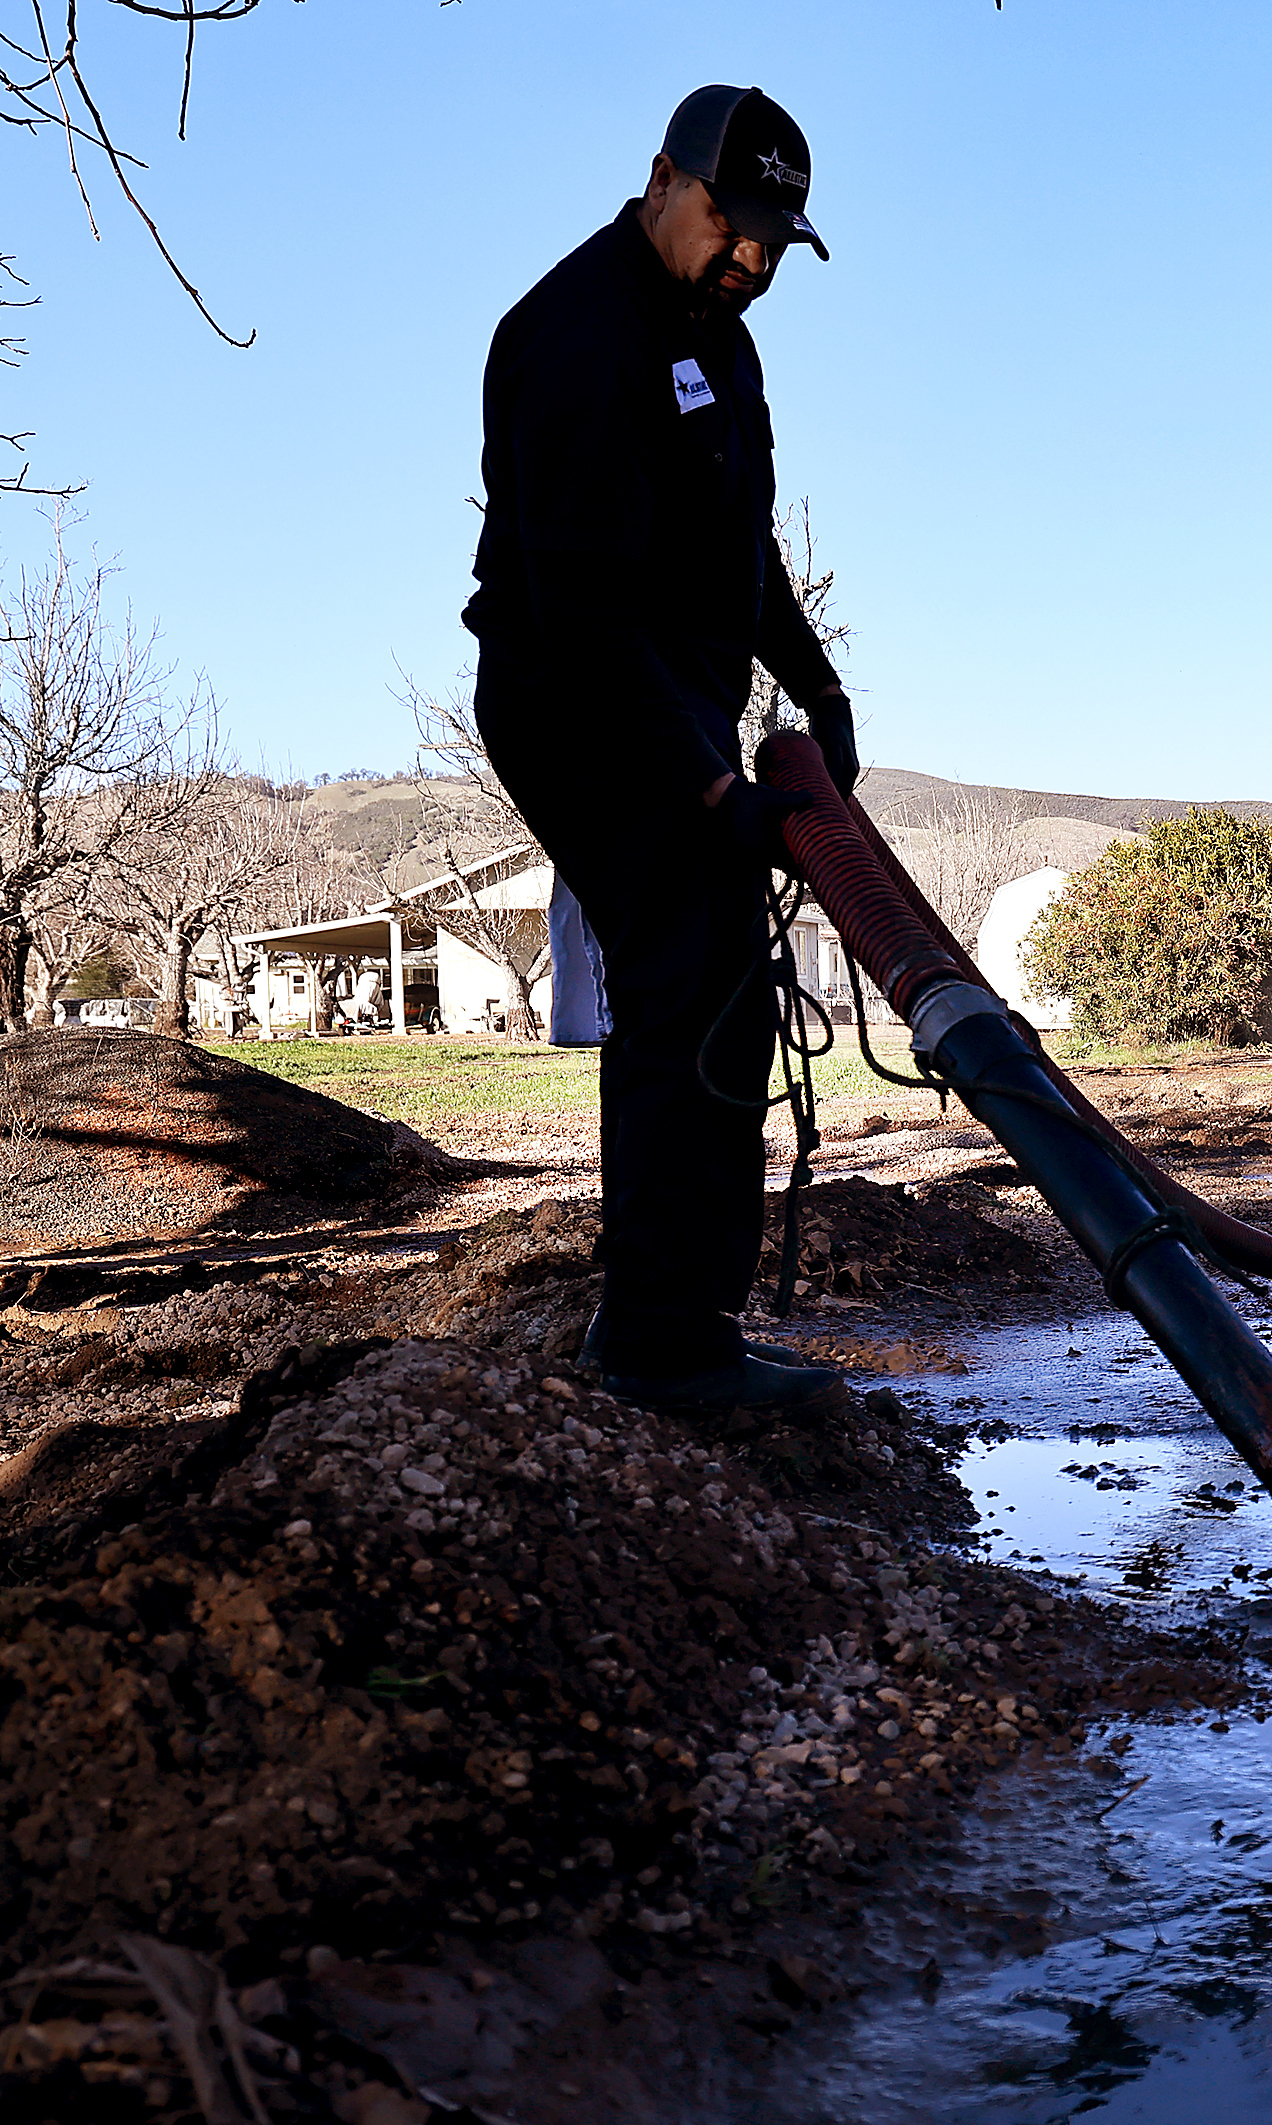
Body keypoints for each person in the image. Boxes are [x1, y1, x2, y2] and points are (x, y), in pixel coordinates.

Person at [463, 85, 856, 1413]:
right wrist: (707, 788)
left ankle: (699, 1324)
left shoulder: (724, 347)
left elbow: (744, 559)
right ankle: (649, 1342)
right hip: (573, 696)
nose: (751, 257)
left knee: (735, 991)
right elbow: (581, 617)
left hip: (678, 702)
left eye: (772, 239)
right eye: (732, 223)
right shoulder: (575, 334)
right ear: (663, 181)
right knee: (679, 963)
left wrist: (817, 685)